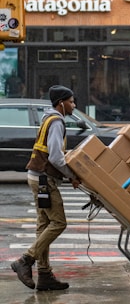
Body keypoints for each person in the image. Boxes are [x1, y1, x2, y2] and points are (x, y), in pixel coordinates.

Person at [11, 85, 81, 291]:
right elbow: (56, 157)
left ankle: (44, 275)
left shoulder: (47, 118)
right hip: (44, 180)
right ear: (61, 103)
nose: (73, 105)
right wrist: (72, 176)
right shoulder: (57, 122)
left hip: (36, 177)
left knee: (43, 226)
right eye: (71, 101)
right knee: (58, 223)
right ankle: (25, 260)